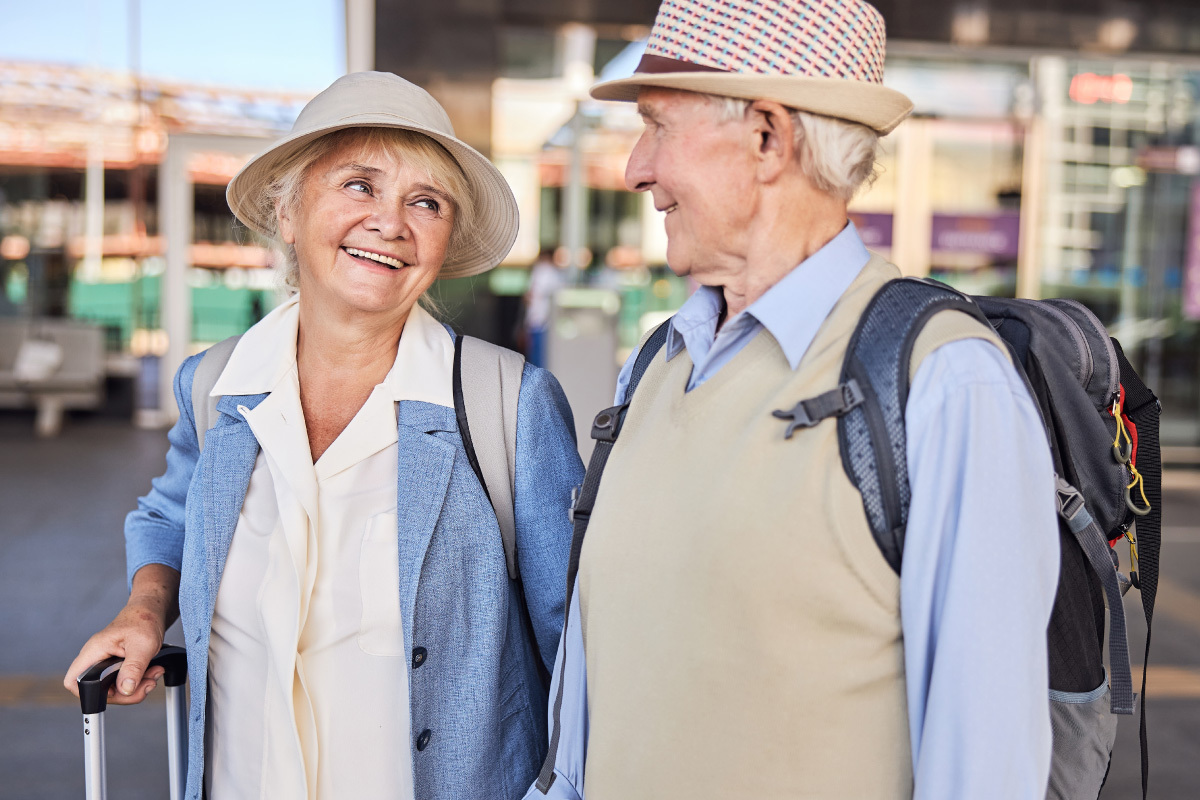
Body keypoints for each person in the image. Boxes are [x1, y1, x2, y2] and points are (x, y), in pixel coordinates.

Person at [529, 1, 1059, 799]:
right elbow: (586, 714)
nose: (637, 168)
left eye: (657, 127)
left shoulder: (944, 382)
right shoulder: (655, 367)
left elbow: (984, 770)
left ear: (767, 138)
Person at [65, 72, 584, 800]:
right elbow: (172, 515)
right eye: (359, 186)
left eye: (425, 203)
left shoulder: (507, 404)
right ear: (287, 213)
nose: (391, 223)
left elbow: (581, 648)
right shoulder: (216, 386)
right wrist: (147, 608)